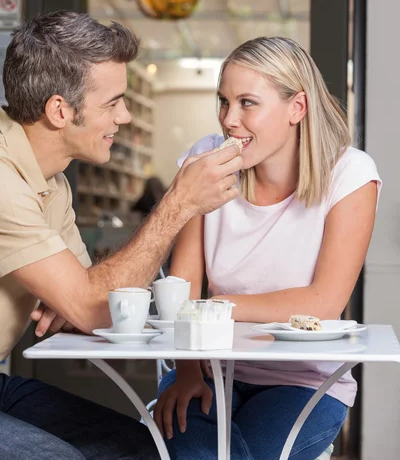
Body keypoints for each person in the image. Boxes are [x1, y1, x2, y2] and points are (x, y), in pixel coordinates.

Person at [0, 10, 243, 460]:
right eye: (112, 103)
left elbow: (91, 302)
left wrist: (77, 297)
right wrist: (178, 204)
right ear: (60, 110)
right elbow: (95, 304)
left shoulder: (53, 181)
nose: (125, 116)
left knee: (139, 447)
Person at [154, 36, 381, 460]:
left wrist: (216, 305)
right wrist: (185, 371)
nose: (229, 120)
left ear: (297, 107)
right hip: (207, 368)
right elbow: (184, 286)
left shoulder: (350, 174)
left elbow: (323, 303)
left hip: (305, 383)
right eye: (224, 102)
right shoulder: (205, 160)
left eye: (247, 103)